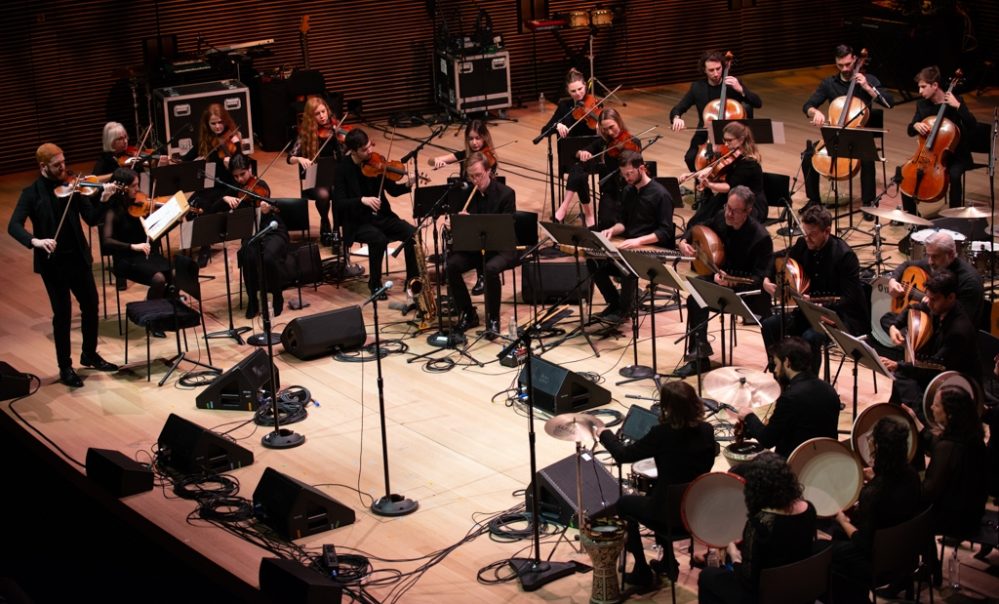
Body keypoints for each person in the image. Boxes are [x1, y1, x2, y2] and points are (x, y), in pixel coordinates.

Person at [7, 143, 119, 387]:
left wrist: (105, 199)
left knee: (91, 305)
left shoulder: (73, 187)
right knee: (63, 314)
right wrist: (35, 241)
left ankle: (89, 354)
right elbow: (13, 226)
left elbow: (91, 218)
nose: (63, 168)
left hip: (77, 257)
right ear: (43, 166)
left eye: (64, 162)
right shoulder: (31, 194)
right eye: (57, 165)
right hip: (53, 264)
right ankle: (65, 366)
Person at [596, 381, 716, 591]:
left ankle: (641, 570)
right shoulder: (707, 430)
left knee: (624, 504)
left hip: (668, 516)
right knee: (661, 494)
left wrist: (604, 433)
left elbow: (623, 454)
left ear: (667, 407)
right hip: (695, 512)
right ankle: (668, 562)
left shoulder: (662, 433)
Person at [676, 186, 773, 377]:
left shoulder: (761, 238)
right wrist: (684, 241)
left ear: (748, 211)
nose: (728, 213)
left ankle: (778, 368)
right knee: (695, 296)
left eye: (735, 211)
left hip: (748, 293)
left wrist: (732, 282)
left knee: (771, 323)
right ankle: (699, 357)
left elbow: (759, 278)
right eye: (727, 207)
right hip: (721, 281)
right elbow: (699, 226)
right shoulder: (722, 217)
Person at [697, 452, 817, 604]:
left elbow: (748, 580)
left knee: (707, 575)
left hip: (764, 596)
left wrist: (734, 556)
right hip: (800, 589)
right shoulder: (809, 509)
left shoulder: (759, 524)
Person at [760, 205, 867, 374]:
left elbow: (849, 299)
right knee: (769, 325)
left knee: (810, 338)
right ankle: (780, 374)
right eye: (805, 233)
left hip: (839, 316)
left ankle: (809, 382)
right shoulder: (803, 243)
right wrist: (767, 279)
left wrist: (817, 302)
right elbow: (776, 258)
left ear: (827, 231)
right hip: (809, 311)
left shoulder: (845, 256)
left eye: (812, 234)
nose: (807, 238)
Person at [828, 417, 922, 604]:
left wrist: (842, 520)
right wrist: (876, 477)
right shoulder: (912, 475)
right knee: (840, 535)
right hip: (907, 552)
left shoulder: (874, 493)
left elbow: (863, 542)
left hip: (880, 563)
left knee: (832, 549)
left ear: (878, 448)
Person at [801, 44, 893, 211]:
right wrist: (815, 112)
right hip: (835, 135)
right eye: (840, 65)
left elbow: (889, 103)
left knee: (867, 159)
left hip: (859, 137)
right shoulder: (829, 83)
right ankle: (813, 200)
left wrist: (867, 87)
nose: (845, 69)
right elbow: (807, 105)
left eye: (848, 64)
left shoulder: (868, 80)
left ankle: (868, 203)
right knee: (807, 156)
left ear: (855, 60)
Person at [589, 150, 675, 325]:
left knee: (628, 264)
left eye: (629, 174)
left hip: (652, 249)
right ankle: (615, 303)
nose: (626, 178)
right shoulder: (628, 191)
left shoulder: (661, 195)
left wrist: (638, 241)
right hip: (629, 245)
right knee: (593, 261)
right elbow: (623, 222)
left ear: (641, 169)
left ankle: (624, 311)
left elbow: (665, 232)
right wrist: (612, 230)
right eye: (624, 174)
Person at [880, 270, 981, 416]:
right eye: (928, 297)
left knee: (902, 381)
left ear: (951, 297)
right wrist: (894, 326)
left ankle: (916, 422)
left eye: (934, 299)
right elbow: (913, 308)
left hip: (953, 383)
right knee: (900, 379)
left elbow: (935, 366)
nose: (929, 303)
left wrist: (899, 365)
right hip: (935, 368)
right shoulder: (938, 306)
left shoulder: (958, 330)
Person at [333, 128, 417, 300]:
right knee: (378, 239)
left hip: (381, 217)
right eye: (364, 149)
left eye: (370, 145)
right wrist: (361, 200)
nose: (370, 151)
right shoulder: (342, 169)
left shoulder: (376, 163)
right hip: (357, 222)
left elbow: (393, 190)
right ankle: (375, 284)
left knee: (411, 233)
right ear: (353, 151)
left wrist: (408, 184)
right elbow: (339, 203)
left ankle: (413, 280)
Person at [445, 152, 516, 337]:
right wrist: (457, 224)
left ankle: (493, 319)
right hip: (477, 248)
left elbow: (503, 229)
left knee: (490, 268)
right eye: (471, 176)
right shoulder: (467, 194)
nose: (475, 180)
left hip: (501, 248)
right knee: (451, 265)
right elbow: (463, 235)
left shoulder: (506, 194)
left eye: (478, 175)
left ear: (488, 171)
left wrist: (473, 221)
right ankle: (468, 314)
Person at [735, 337, 841, 459]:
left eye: (776, 364)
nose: (775, 370)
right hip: (828, 459)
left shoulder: (790, 398)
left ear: (787, 362)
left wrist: (749, 416)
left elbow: (767, 440)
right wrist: (751, 430)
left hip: (797, 463)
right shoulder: (829, 390)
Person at [431, 119, 498, 296]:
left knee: (475, 234)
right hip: (465, 202)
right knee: (450, 224)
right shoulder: (464, 155)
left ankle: (482, 275)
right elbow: (433, 161)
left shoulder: (488, 158)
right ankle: (453, 263)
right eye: (471, 139)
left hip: (481, 204)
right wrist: (437, 161)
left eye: (478, 138)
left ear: (484, 138)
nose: (475, 142)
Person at [900, 65, 978, 213]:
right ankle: (911, 216)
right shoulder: (922, 105)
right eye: (919, 87)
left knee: (954, 175)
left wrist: (958, 106)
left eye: (923, 87)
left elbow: (973, 125)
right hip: (928, 156)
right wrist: (915, 125)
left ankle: (954, 215)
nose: (920, 91)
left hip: (956, 155)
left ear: (935, 85)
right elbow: (910, 131)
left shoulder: (956, 101)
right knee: (904, 173)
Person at [670, 50, 763, 173]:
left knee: (734, 164)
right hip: (706, 134)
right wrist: (676, 118)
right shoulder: (697, 87)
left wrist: (741, 89)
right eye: (711, 70)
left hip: (731, 137)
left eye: (718, 69)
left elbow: (757, 103)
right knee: (690, 158)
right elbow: (678, 108)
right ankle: (702, 182)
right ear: (704, 70)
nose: (716, 73)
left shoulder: (732, 85)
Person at [225, 153, 288, 319]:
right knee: (247, 255)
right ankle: (253, 300)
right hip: (251, 233)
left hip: (272, 230)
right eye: (236, 176)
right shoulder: (233, 188)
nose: (240, 179)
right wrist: (225, 198)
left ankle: (277, 295)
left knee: (268, 257)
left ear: (250, 169)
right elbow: (214, 203)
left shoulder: (261, 186)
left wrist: (266, 209)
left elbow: (270, 207)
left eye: (243, 174)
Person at [552, 107, 637, 228]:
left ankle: (578, 211)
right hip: (610, 191)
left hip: (628, 190)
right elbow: (578, 152)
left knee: (627, 225)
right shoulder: (603, 142)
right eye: (605, 129)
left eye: (611, 127)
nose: (610, 132)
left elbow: (635, 168)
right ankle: (566, 206)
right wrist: (581, 153)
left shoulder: (633, 141)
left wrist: (623, 151)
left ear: (619, 122)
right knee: (578, 167)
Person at [101, 167, 172, 301]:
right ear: (123, 188)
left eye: (137, 185)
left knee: (175, 274)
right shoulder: (112, 210)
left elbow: (152, 233)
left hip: (145, 254)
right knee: (159, 279)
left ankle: (163, 307)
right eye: (134, 186)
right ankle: (150, 310)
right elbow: (107, 241)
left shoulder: (138, 204)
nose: (138, 189)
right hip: (126, 259)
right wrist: (133, 246)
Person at [885, 230, 983, 326]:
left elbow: (960, 321)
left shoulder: (969, 282)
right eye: (928, 255)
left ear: (950, 254)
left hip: (950, 329)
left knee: (893, 323)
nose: (930, 262)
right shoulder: (937, 264)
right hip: (933, 315)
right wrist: (893, 280)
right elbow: (907, 264)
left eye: (935, 257)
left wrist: (926, 305)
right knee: (887, 319)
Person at [683, 121, 767, 226]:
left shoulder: (749, 163)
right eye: (725, 140)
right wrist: (693, 174)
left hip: (749, 205)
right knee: (696, 221)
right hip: (732, 197)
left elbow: (728, 186)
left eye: (729, 140)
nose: (726, 144)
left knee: (711, 223)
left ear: (741, 139)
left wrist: (709, 184)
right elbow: (714, 168)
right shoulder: (734, 154)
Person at [288, 95, 343, 242]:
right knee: (323, 195)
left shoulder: (333, 129)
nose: (322, 116)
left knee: (337, 192)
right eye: (317, 114)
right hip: (314, 174)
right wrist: (300, 159)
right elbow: (290, 157)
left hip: (332, 171)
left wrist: (338, 138)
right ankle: (325, 220)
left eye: (324, 112)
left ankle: (336, 229)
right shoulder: (305, 134)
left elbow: (343, 155)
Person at [540, 68, 599, 142]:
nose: (577, 93)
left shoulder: (595, 103)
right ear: (568, 91)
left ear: (585, 86)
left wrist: (601, 126)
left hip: (592, 145)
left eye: (580, 89)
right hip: (570, 145)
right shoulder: (564, 106)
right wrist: (557, 125)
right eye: (573, 91)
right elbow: (545, 131)